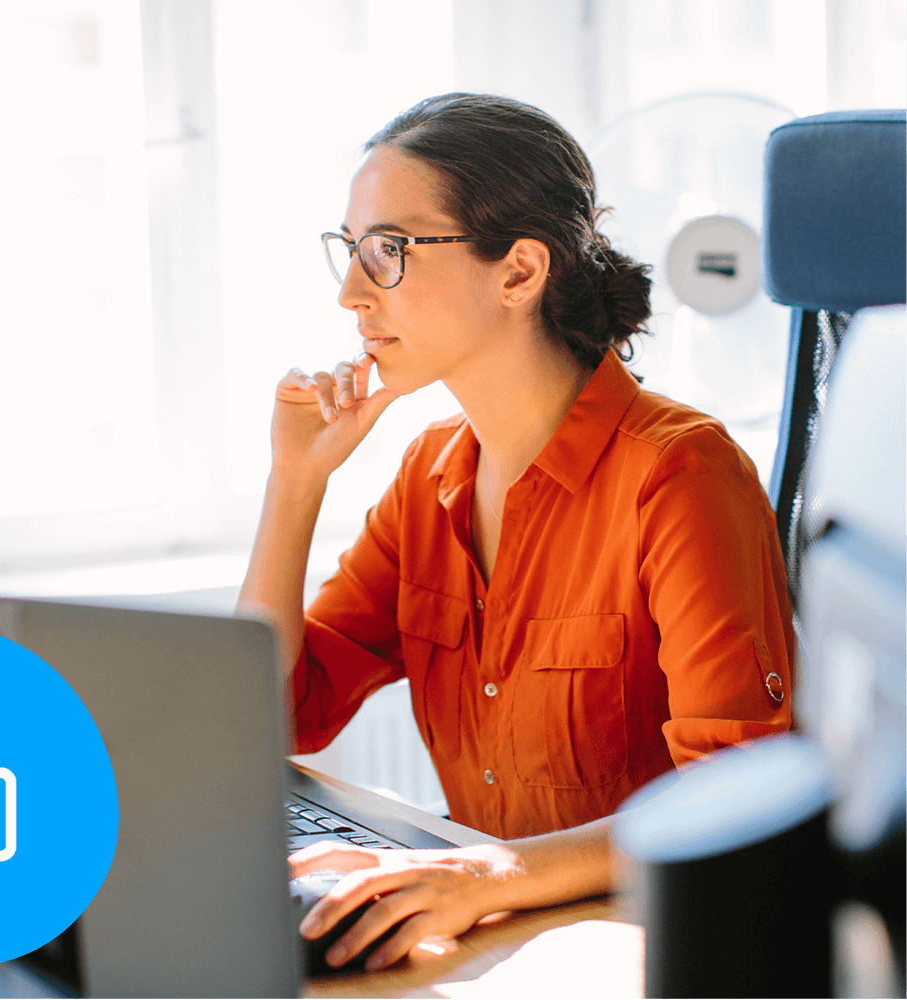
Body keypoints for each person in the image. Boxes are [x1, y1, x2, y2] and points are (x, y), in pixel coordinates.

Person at [237, 93, 794, 973]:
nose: (350, 294)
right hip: (499, 938)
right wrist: (295, 482)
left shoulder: (679, 475)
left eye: (387, 251)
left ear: (518, 273)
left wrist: (488, 870)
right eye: (348, 251)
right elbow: (273, 715)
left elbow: (736, 798)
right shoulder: (429, 476)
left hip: (650, 947)